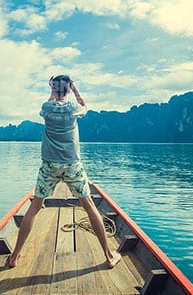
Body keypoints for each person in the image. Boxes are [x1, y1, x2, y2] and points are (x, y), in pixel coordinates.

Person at [7, 75, 122, 269]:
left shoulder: (47, 108)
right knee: (89, 206)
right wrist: (75, 89)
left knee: (34, 207)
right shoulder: (74, 109)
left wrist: (53, 89)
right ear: (68, 90)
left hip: (49, 166)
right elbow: (85, 106)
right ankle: (109, 256)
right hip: (72, 166)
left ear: (53, 89)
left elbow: (52, 100)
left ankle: (14, 257)